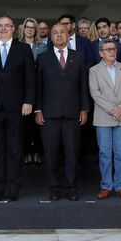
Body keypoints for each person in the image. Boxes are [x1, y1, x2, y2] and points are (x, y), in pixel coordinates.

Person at [0, 15, 36, 202]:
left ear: (13, 29)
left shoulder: (24, 49)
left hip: (17, 107)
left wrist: (28, 101)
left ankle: (13, 187)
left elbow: (30, 78)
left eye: (6, 26)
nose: (3, 29)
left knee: (15, 149)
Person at [34, 23, 90, 201]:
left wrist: (84, 108)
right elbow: (38, 87)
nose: (59, 36)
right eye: (55, 33)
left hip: (73, 113)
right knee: (51, 153)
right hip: (49, 114)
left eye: (62, 32)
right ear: (50, 37)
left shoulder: (79, 57)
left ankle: (72, 187)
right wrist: (38, 109)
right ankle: (54, 187)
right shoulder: (43, 58)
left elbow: (83, 85)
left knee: (72, 152)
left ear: (68, 35)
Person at [89, 39, 121, 200]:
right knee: (105, 153)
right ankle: (106, 185)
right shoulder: (94, 70)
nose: (112, 52)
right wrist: (112, 109)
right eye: (108, 49)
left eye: (114, 49)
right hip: (103, 117)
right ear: (101, 52)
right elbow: (95, 94)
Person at [17, 17, 45, 167]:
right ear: (23, 29)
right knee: (24, 125)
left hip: (38, 87)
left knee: (37, 124)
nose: (29, 29)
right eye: (27, 27)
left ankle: (38, 152)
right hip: (21, 89)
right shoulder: (17, 45)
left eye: (32, 27)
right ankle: (27, 152)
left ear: (35, 30)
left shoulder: (42, 47)